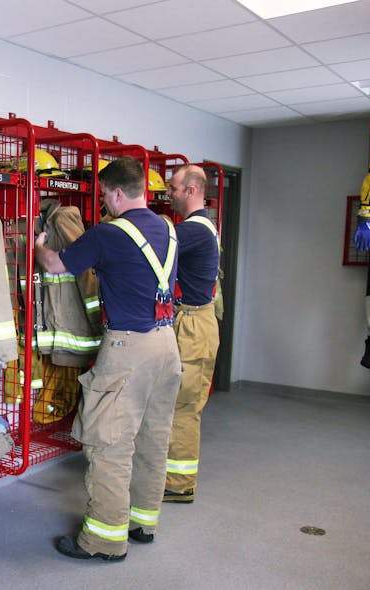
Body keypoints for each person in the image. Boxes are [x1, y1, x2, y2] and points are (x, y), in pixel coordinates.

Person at [34, 156, 181, 562]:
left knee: (110, 444)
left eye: (103, 195)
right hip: (167, 345)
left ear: (117, 192)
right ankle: (143, 523)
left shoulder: (108, 233)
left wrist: (39, 245)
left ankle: (103, 540)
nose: (103, 203)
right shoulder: (168, 228)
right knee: (153, 440)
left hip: (128, 348)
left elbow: (55, 264)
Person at [163, 164, 221, 503]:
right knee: (177, 404)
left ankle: (178, 484)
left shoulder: (195, 230)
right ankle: (171, 479)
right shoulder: (198, 228)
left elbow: (158, 243)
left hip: (193, 326)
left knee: (184, 407)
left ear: (191, 191)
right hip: (191, 322)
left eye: (173, 188)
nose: (168, 193)